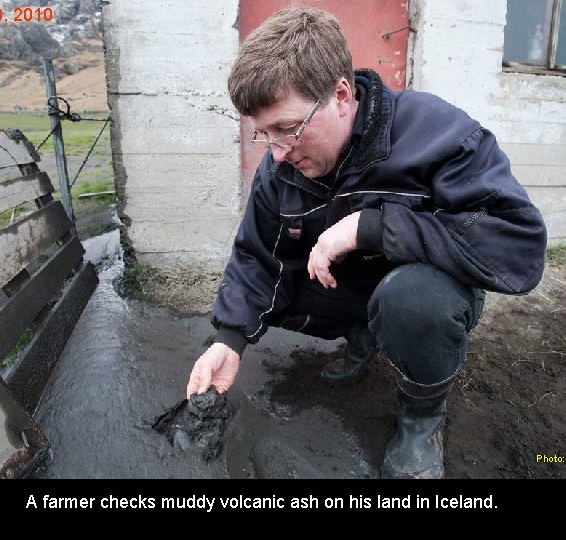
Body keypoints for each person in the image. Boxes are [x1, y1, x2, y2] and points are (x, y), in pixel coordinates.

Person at [186, 7, 547, 479]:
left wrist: (371, 228)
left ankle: (421, 418)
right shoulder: (281, 170)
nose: (276, 152)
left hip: (424, 291)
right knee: (276, 291)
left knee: (413, 301)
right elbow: (258, 257)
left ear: (340, 95)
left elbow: (517, 248)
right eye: (263, 133)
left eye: (287, 128)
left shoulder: (439, 136)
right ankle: (365, 333)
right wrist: (229, 340)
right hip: (352, 287)